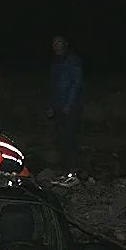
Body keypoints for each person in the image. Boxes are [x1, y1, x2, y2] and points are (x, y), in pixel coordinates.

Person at [47, 35, 84, 187]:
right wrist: (50, 105)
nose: (56, 45)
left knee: (69, 139)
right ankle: (64, 172)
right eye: (54, 43)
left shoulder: (72, 60)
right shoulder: (55, 62)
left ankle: (72, 174)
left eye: (59, 42)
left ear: (66, 44)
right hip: (57, 106)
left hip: (70, 108)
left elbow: (76, 83)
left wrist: (69, 104)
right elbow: (52, 86)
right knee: (61, 141)